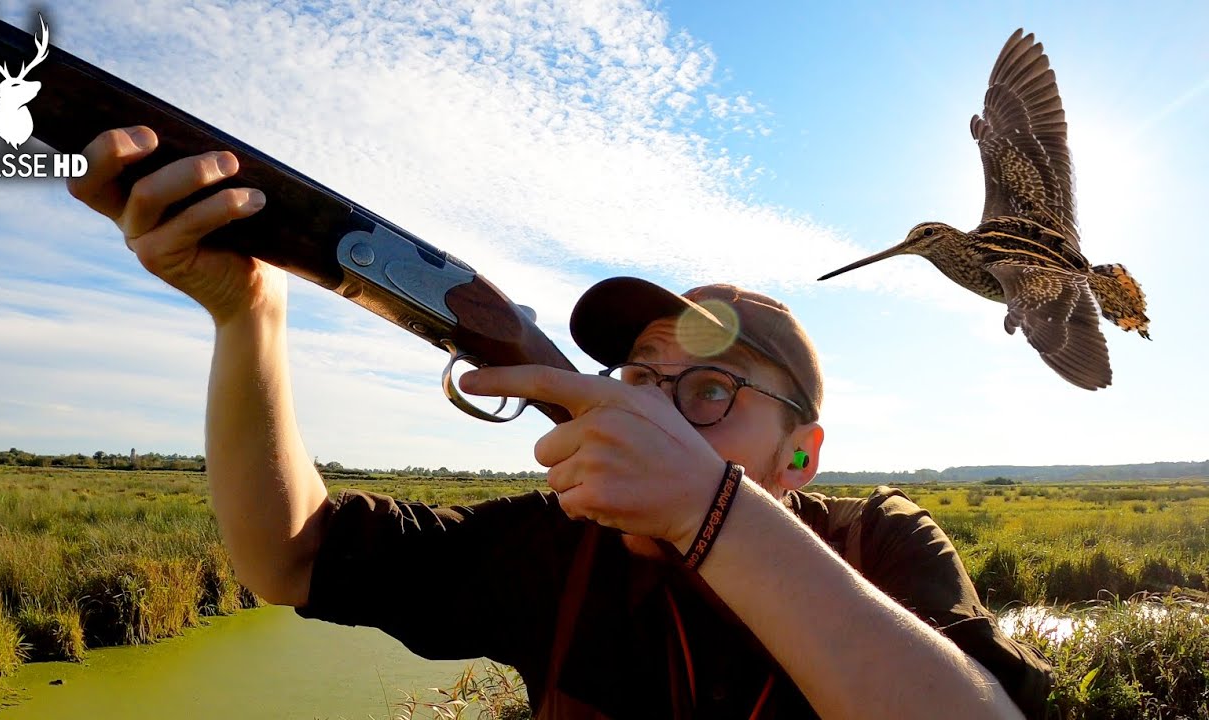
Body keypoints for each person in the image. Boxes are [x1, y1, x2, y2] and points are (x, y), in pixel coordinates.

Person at [67, 125, 1053, 719]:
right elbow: (290, 559)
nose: (655, 408)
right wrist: (248, 314)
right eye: (639, 377)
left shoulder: (882, 541)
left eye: (708, 392)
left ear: (800, 456)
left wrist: (705, 511)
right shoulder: (562, 547)